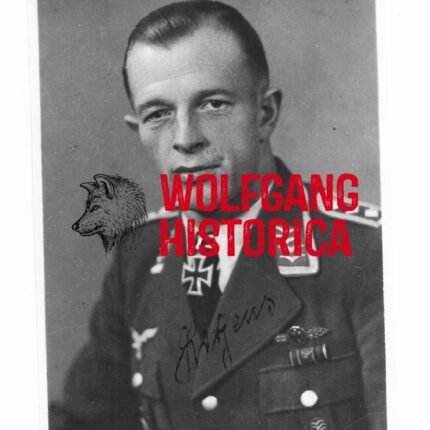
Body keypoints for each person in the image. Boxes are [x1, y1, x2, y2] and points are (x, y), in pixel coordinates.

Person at [50, 1, 385, 429]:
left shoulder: (368, 254)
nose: (185, 138)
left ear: (265, 114)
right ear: (138, 131)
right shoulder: (139, 257)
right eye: (159, 114)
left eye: (212, 104)